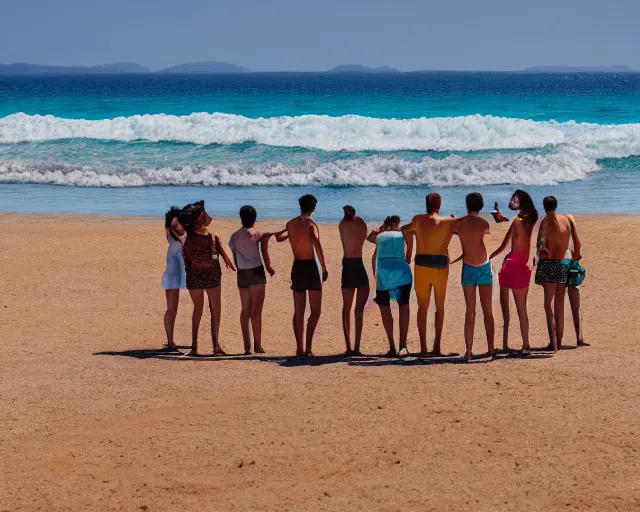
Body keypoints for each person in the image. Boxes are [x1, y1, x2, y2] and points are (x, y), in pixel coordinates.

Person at [179, 201, 236, 357]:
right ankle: (215, 346)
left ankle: (195, 347)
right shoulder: (212, 237)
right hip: (212, 275)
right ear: (200, 219)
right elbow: (225, 258)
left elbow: (187, 259)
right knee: (215, 310)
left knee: (197, 309)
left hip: (194, 276)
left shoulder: (188, 239)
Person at [402, 192, 456, 356]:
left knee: (422, 308)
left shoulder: (418, 219)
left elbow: (404, 229)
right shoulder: (448, 221)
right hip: (440, 266)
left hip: (422, 265)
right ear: (439, 205)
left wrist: (409, 251)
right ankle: (436, 348)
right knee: (439, 308)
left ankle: (424, 348)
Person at [275, 194, 328, 357]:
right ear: (313, 208)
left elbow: (278, 238)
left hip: (297, 266)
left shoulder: (291, 224)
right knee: (315, 310)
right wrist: (324, 268)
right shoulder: (311, 225)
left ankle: (299, 348)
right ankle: (309, 348)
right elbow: (317, 245)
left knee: (299, 311)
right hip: (311, 267)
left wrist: (288, 229)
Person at [489, 189, 538, 354]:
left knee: (505, 310)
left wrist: (490, 257)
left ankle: (504, 344)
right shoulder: (531, 220)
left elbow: (504, 246)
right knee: (521, 309)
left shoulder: (516, 222)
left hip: (509, 265)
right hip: (521, 267)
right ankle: (526, 345)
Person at [535, 196, 584, 351]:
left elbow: (541, 242)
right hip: (563, 263)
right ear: (556, 205)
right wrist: (576, 253)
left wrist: (541, 250)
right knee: (559, 304)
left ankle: (553, 343)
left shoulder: (545, 222)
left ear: (544, 207)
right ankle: (560, 341)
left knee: (548, 304)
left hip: (550, 264)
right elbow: (577, 242)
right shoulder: (567, 219)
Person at [228, 205, 277, 355]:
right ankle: (258, 345)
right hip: (256, 272)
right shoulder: (256, 233)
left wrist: (239, 268)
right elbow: (266, 241)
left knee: (245, 310)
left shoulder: (234, 236)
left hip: (242, 273)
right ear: (255, 219)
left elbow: (235, 256)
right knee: (256, 311)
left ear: (241, 218)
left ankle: (246, 346)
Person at [452, 193, 495, 360]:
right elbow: (485, 232)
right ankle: (491, 348)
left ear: (466, 204)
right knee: (487, 310)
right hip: (483, 265)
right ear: (481, 206)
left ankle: (469, 351)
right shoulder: (483, 223)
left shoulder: (458, 224)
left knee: (470, 311)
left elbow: (456, 230)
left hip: (468, 266)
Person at [368, 216, 412, 357]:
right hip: (402, 273)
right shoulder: (404, 234)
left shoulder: (380, 237)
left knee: (385, 310)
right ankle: (403, 346)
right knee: (403, 307)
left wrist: (379, 231)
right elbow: (409, 256)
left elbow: (369, 238)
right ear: (395, 224)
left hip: (384, 275)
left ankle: (392, 346)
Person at [338, 205, 370, 356]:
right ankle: (350, 346)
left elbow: (360, 237)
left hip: (353, 263)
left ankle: (354, 347)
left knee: (353, 308)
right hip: (354, 262)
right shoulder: (351, 224)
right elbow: (362, 236)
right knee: (349, 308)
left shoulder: (345, 224)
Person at [161, 207, 186, 352]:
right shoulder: (173, 229)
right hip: (172, 273)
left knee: (173, 308)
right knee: (171, 309)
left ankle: (171, 340)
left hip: (176, 271)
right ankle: (170, 342)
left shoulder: (174, 230)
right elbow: (180, 231)